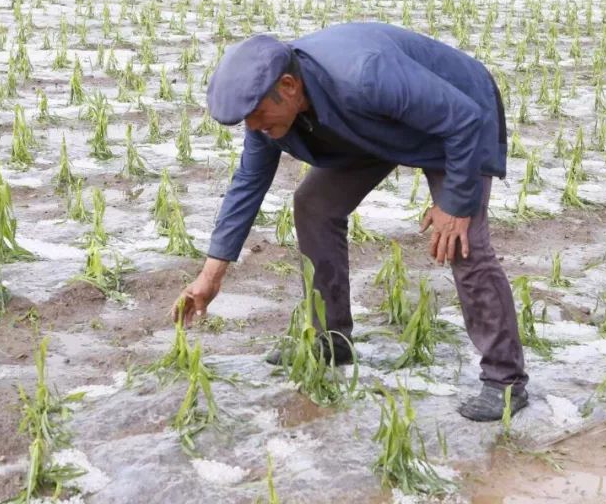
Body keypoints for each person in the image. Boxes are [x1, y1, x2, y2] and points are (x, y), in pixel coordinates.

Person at [170, 21, 529, 421]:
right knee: (315, 205)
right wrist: (210, 275)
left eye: (257, 116)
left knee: (463, 242)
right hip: (372, 126)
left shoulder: (365, 75)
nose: (254, 128)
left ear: (288, 86)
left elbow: (463, 118)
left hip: (458, 118)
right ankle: (331, 340)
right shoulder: (269, 114)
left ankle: (505, 381)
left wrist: (456, 205)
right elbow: (247, 185)